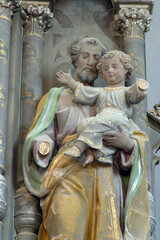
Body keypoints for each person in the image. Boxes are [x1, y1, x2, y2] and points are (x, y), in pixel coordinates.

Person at [22, 37, 150, 240]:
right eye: (85, 56)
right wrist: (43, 145)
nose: (91, 61)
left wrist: (127, 145)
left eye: (96, 57)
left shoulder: (112, 100)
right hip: (68, 170)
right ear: (75, 61)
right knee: (64, 226)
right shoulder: (57, 96)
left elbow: (138, 138)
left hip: (106, 174)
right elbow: (42, 133)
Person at [56, 50, 149, 167]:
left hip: (118, 120)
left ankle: (80, 146)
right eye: (105, 69)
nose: (110, 71)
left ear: (126, 69)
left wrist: (141, 87)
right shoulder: (101, 91)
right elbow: (84, 92)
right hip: (101, 119)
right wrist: (70, 82)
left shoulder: (126, 91)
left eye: (115, 67)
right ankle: (92, 154)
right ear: (101, 73)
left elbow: (135, 95)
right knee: (83, 124)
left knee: (104, 123)